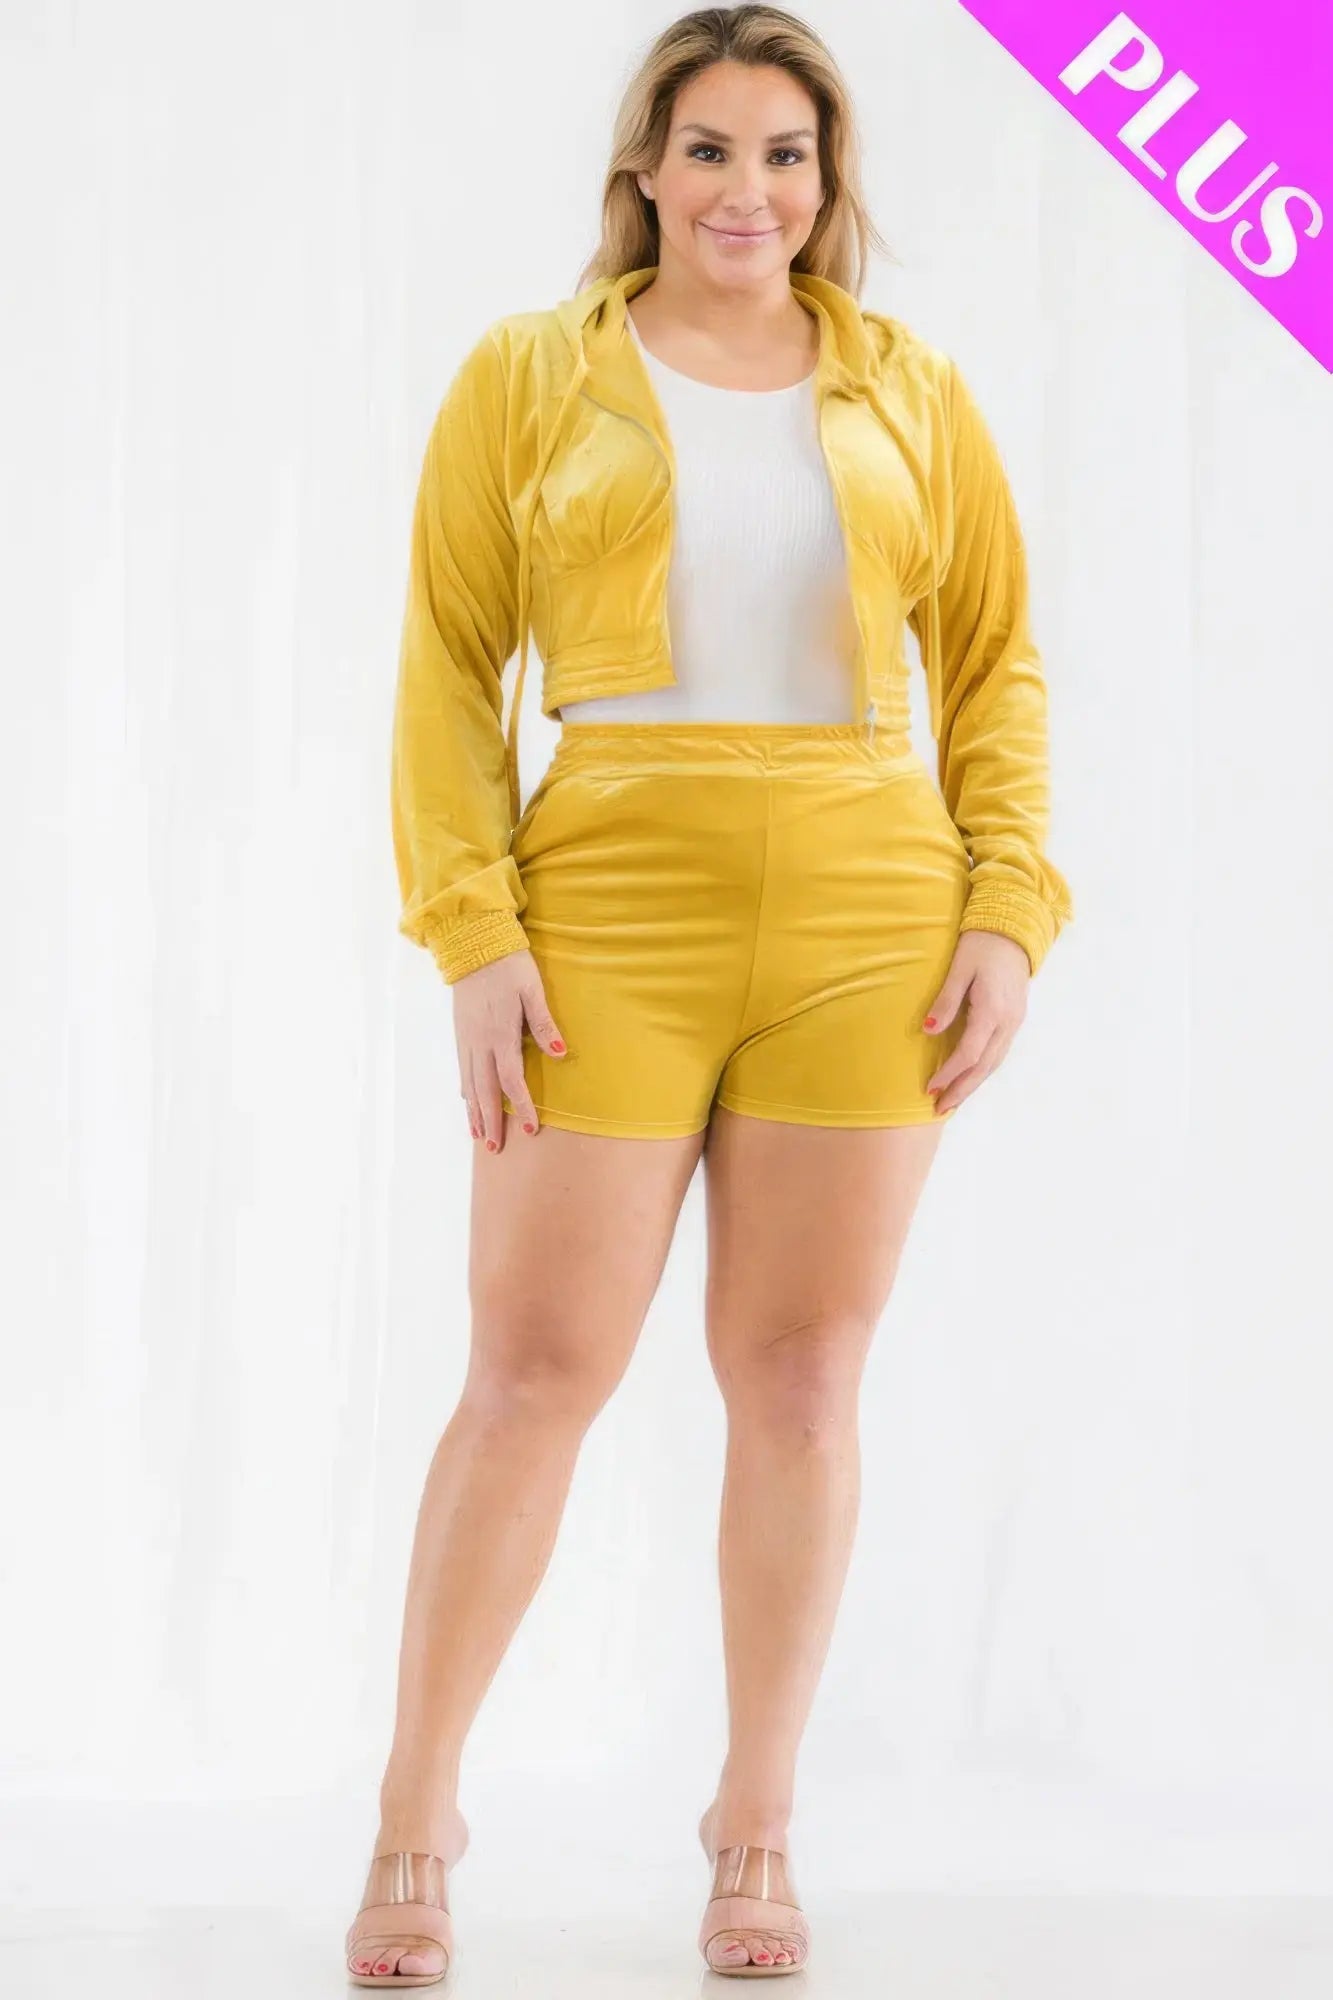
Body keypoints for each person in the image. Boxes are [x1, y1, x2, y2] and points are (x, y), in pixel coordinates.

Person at [345, 3, 1074, 1985]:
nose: (747, 190)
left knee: (805, 1374)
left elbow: (992, 664)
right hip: (608, 896)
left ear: (825, 184)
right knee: (533, 1371)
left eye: (783, 154)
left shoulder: (910, 388)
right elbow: (446, 667)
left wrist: (1005, 906)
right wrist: (473, 932)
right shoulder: (527, 376)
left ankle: (754, 1821)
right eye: (709, 149)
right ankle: (416, 1807)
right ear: (644, 171)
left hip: (865, 900)